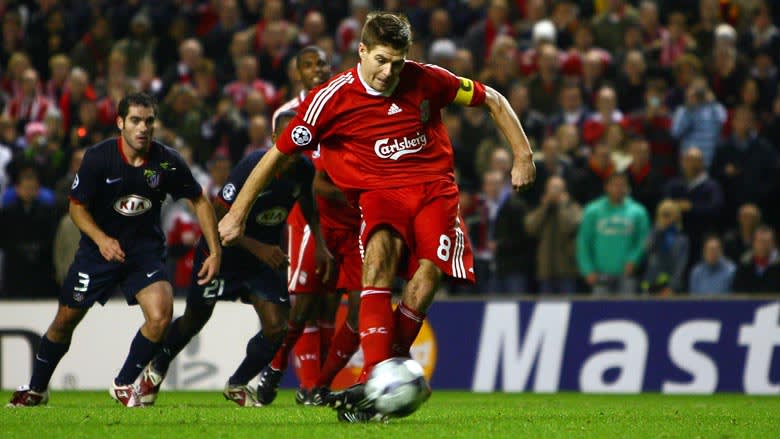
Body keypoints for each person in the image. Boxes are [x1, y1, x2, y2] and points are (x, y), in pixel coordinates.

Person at [217, 12, 535, 421]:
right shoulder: (330, 100)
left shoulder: (427, 79)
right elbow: (278, 154)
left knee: (427, 276)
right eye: (381, 60)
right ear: (362, 51)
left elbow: (493, 99)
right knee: (379, 255)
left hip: (434, 189)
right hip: (380, 194)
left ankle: (378, 381)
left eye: (397, 63)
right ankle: (375, 375)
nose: (389, 72)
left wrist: (523, 155)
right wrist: (237, 214)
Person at [7, 92, 221, 407]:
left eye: (148, 121)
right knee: (65, 320)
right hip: (98, 251)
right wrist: (101, 239)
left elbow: (199, 200)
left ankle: (122, 384)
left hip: (143, 252)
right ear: (120, 122)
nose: (143, 128)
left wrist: (215, 251)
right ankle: (36, 388)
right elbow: (76, 208)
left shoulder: (166, 161)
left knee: (161, 315)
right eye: (135, 120)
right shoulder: (98, 158)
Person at [137, 110, 332, 407]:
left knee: (278, 327)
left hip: (259, 263)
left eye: (299, 142)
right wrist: (260, 248)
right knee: (194, 321)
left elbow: (308, 205)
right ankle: (157, 367)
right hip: (221, 255)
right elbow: (217, 220)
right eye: (288, 140)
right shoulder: (253, 166)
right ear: (274, 139)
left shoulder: (303, 169)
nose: (294, 151)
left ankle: (238, 383)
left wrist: (319, 244)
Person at [256, 46, 363, 406]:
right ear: (296, 73)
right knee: (305, 306)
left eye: (322, 63)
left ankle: (317, 386)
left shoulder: (344, 107)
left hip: (349, 221)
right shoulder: (287, 114)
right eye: (309, 65)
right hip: (308, 220)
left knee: (332, 305)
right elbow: (290, 171)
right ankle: (279, 370)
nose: (317, 69)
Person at [577, 173, 650, 295]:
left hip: (627, 274)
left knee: (627, 307)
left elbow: (643, 240)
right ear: (607, 187)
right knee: (599, 307)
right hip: (600, 273)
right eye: (615, 185)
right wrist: (587, 269)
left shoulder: (638, 212)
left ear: (627, 188)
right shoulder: (592, 211)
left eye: (622, 185)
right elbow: (584, 242)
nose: (618, 189)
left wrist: (634, 260)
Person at [641, 200, 690, 295]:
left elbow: (680, 266)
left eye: (669, 214)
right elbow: (647, 249)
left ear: (676, 216)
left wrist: (671, 287)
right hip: (651, 284)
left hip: (671, 287)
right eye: (664, 214)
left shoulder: (682, 239)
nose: (666, 218)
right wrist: (658, 230)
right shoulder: (653, 233)